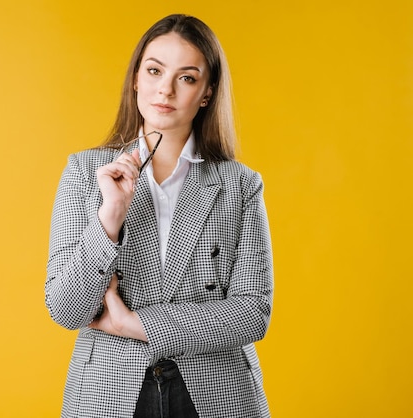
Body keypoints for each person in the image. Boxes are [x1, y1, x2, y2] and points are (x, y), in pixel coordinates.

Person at [45, 13, 273, 418]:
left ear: (206, 93)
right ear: (136, 78)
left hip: (218, 394)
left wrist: (136, 325)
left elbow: (252, 312)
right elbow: (66, 309)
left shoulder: (240, 184)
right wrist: (109, 216)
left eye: (186, 77)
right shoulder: (84, 172)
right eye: (154, 71)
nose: (164, 89)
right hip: (107, 393)